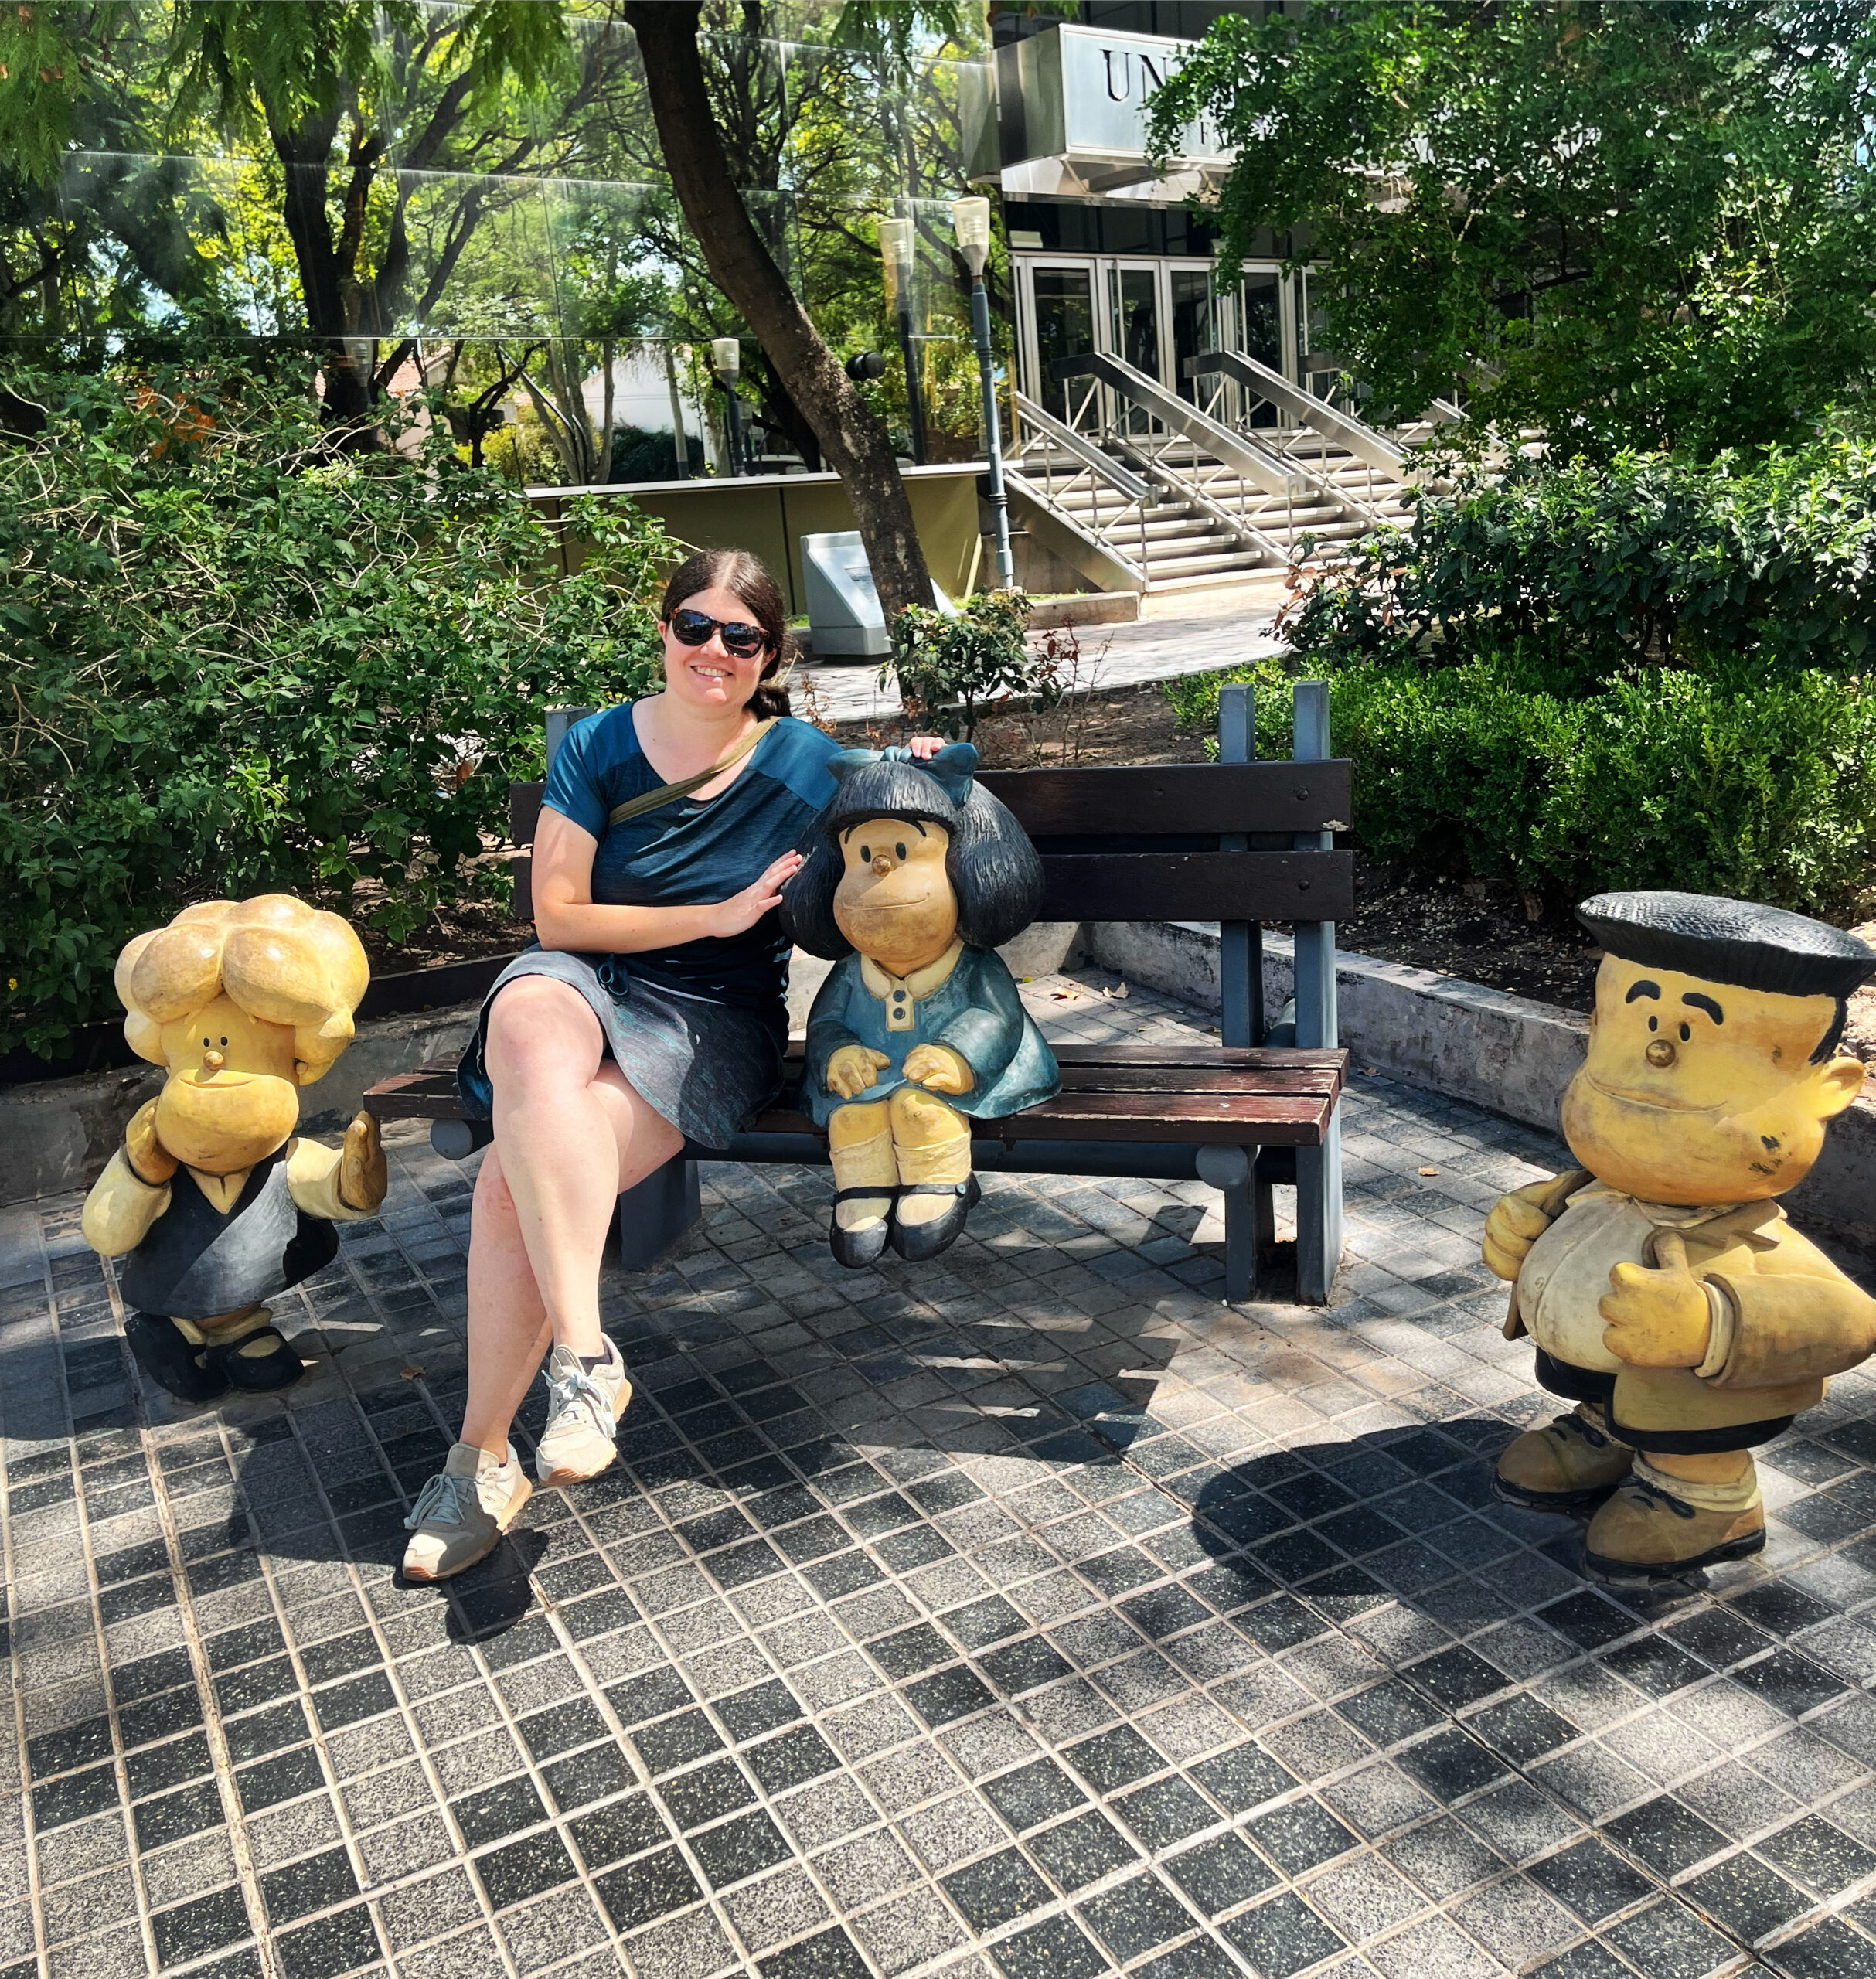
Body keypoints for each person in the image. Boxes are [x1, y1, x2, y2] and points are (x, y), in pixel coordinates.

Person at [401, 547, 945, 1579]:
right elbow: (556, 913)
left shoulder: (807, 765)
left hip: (711, 1022)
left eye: (743, 638)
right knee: (527, 1008)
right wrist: (715, 911)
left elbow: (914, 833)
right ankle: (583, 1360)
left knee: (511, 1182)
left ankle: (479, 1463)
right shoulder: (603, 743)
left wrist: (913, 771)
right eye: (695, 627)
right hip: (585, 985)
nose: (715, 652)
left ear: (771, 655)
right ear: (664, 630)